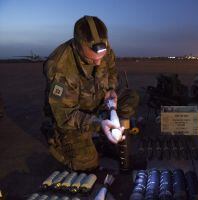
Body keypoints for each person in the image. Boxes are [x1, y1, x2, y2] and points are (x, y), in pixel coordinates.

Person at [43, 16, 139, 170]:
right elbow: (65, 115)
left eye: (101, 57)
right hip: (73, 117)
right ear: (77, 46)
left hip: (98, 102)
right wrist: (97, 123)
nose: (98, 63)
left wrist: (111, 90)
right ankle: (59, 143)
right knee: (88, 165)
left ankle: (105, 139)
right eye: (91, 60)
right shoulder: (60, 68)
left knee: (130, 97)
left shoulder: (104, 49)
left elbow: (112, 71)